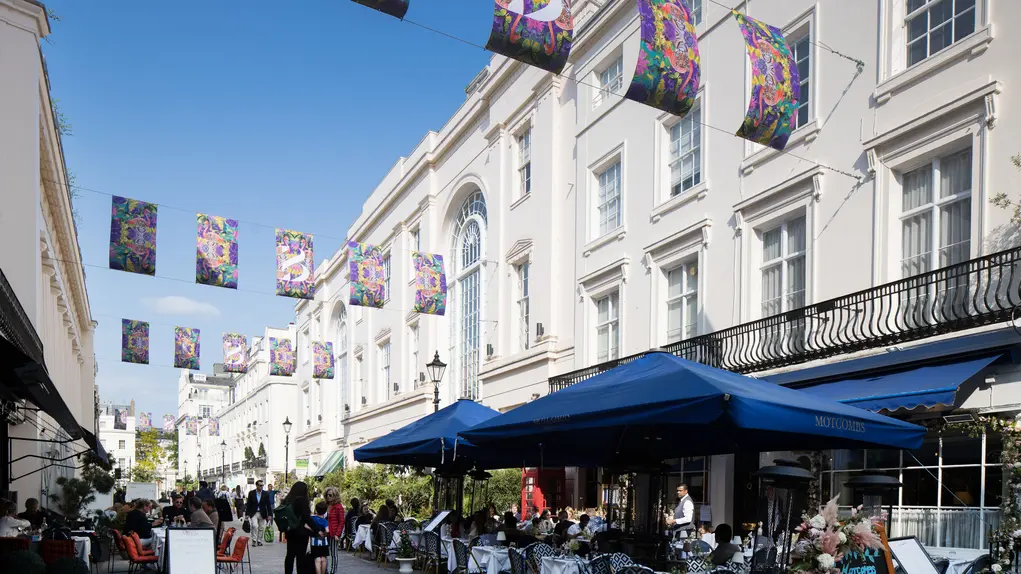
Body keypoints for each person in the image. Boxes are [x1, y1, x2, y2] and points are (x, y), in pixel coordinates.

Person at [282, 481, 321, 574]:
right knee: (300, 557)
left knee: (290, 556)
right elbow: (307, 518)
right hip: (301, 533)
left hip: (290, 531)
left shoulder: (288, 499)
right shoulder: (302, 500)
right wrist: (318, 529)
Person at [246, 480, 273, 546]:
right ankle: (254, 540)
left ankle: (259, 541)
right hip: (254, 513)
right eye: (260, 485)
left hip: (262, 513)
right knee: (254, 526)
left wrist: (270, 514)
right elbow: (248, 504)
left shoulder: (265, 494)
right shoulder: (251, 493)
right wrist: (247, 514)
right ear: (257, 486)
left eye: (262, 485)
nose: (261, 487)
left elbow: (268, 505)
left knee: (261, 527)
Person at [325, 488, 346, 573]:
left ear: (335, 496)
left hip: (333, 533)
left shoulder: (338, 507)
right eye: (327, 495)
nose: (328, 497)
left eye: (330, 495)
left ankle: (333, 571)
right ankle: (324, 570)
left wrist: (338, 534)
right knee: (325, 553)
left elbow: (341, 521)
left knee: (334, 554)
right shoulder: (326, 506)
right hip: (325, 532)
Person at [311, 501, 330, 574]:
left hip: (314, 542)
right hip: (324, 542)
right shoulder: (325, 521)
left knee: (317, 559)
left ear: (316, 509)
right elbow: (327, 530)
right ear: (325, 511)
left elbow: (305, 525)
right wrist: (324, 535)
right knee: (324, 559)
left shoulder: (312, 519)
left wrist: (315, 531)